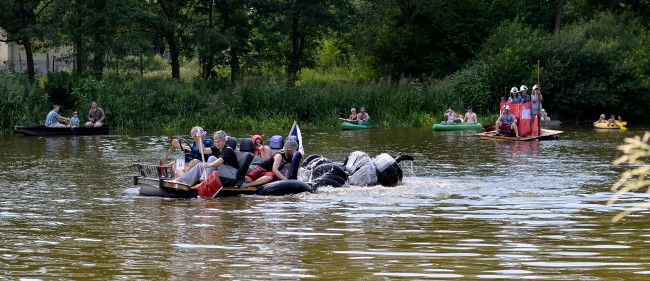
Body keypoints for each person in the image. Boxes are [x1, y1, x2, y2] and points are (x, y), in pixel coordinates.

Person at [170, 130, 240, 187]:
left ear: (224, 141)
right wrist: (199, 139)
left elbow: (220, 160)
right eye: (215, 142)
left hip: (232, 174)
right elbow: (202, 151)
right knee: (200, 165)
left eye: (219, 141)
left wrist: (208, 165)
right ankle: (181, 180)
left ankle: (204, 182)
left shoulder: (228, 149)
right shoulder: (217, 148)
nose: (217, 144)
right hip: (223, 170)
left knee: (212, 158)